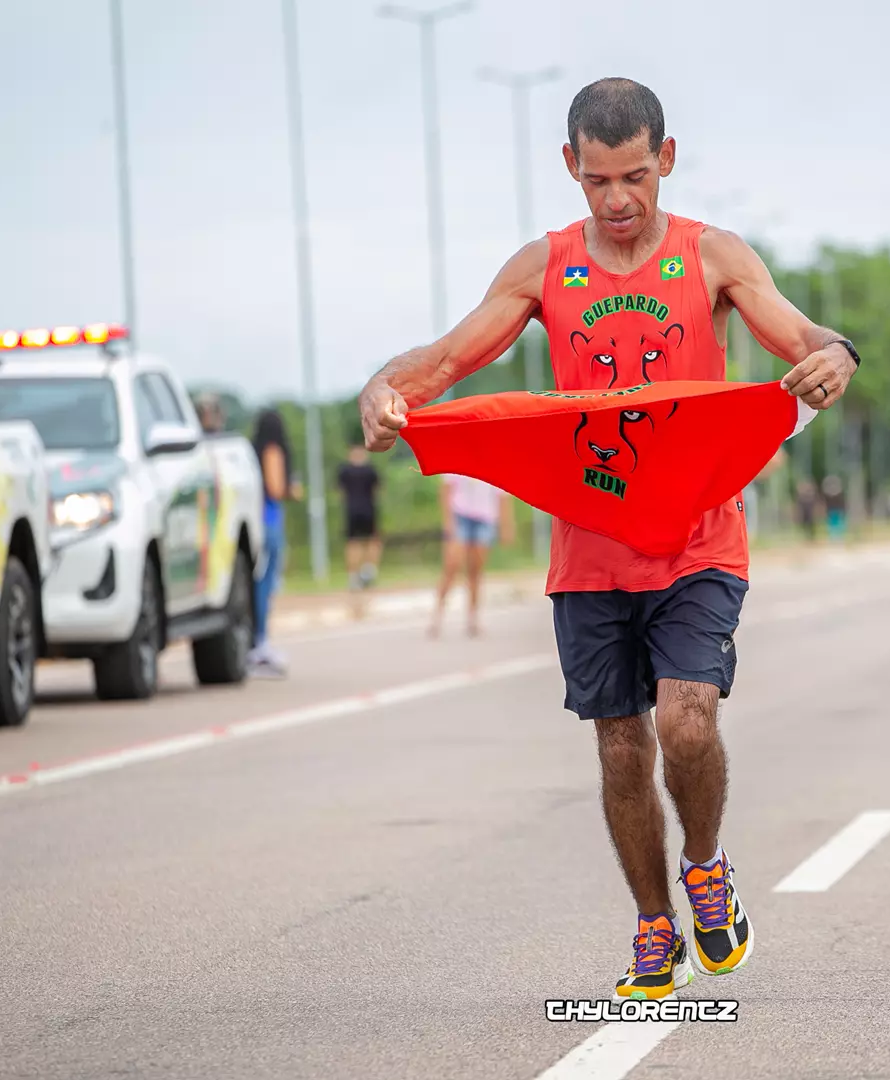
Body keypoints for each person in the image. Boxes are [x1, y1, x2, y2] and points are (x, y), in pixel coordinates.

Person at [356, 77, 858, 1000]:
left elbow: (801, 333)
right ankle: (654, 922)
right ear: (570, 167)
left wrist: (837, 354)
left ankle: (704, 867)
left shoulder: (712, 255)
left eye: (635, 176)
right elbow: (445, 360)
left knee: (685, 721)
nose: (618, 199)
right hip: (589, 550)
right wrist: (383, 392)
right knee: (622, 747)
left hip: (698, 540)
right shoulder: (543, 268)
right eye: (597, 181)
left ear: (666, 158)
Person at [429, 473, 514, 638]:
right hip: (460, 515)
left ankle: (473, 618)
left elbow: (503, 495)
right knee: (451, 566)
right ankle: (437, 615)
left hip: (485, 518)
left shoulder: (495, 463)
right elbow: (446, 488)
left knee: (475, 570)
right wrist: (448, 522)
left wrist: (506, 525)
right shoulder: (458, 460)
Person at [249, 407, 299, 678]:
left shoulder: (253, 452)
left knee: (258, 583)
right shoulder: (272, 451)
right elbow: (276, 488)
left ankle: (256, 641)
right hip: (269, 522)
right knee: (265, 584)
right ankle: (260, 643)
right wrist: (292, 488)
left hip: (257, 521)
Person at [337, 441, 383, 596]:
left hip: (352, 510)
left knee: (354, 542)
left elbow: (340, 491)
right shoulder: (370, 470)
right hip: (368, 509)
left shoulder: (345, 470)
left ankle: (355, 577)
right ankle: (368, 571)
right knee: (370, 540)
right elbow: (377, 489)